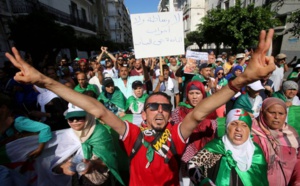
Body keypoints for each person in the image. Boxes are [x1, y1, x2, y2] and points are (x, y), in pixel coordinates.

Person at [5, 29, 276, 185]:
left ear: (170, 113)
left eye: (164, 107)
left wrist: (242, 79)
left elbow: (201, 111)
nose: (159, 109)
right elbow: (97, 110)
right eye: (153, 106)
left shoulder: (177, 133)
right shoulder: (131, 133)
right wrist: (44, 80)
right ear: (143, 113)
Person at [188, 108, 269, 186]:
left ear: (249, 130)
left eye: (244, 125)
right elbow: (192, 166)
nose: (238, 129)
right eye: (233, 124)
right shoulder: (216, 147)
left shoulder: (255, 152)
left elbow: (263, 181)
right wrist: (204, 183)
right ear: (226, 127)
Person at [50, 103, 124, 185]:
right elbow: (58, 162)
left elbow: (109, 159)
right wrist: (63, 167)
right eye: (71, 119)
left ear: (88, 116)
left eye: (79, 118)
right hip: (77, 179)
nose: (75, 121)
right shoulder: (68, 135)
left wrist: (93, 163)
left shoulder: (100, 132)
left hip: (99, 180)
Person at [251, 98, 300, 185]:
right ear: (262, 112)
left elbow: (298, 161)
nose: (276, 117)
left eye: (281, 113)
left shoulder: (291, 134)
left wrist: (297, 181)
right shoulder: (250, 133)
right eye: (272, 113)